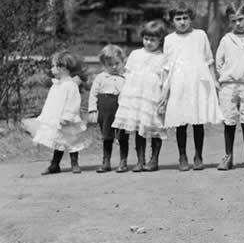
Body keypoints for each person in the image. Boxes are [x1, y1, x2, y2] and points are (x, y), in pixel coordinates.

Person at [161, 2, 222, 171]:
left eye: (185, 18)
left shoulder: (200, 35)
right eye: (178, 19)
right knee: (181, 122)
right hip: (179, 83)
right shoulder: (169, 40)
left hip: (197, 82)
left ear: (191, 19)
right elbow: (166, 67)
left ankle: (198, 155)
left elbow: (209, 60)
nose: (182, 22)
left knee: (197, 121)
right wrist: (164, 89)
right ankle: (182, 156)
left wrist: (214, 81)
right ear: (172, 21)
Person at [112, 20, 169, 172]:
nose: (148, 42)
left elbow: (165, 80)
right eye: (146, 38)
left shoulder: (163, 57)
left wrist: (164, 98)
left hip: (152, 97)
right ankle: (140, 159)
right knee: (139, 127)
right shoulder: (135, 54)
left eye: (152, 39)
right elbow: (127, 75)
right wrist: (123, 94)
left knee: (154, 126)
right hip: (135, 96)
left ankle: (154, 159)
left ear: (160, 40)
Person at [216, 4, 244, 171]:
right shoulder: (226, 39)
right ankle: (228, 156)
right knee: (229, 121)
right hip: (228, 85)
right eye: (233, 21)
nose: (238, 24)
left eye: (241, 19)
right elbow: (219, 62)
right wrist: (225, 76)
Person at [33, 50, 91, 175]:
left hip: (67, 119)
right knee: (58, 141)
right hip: (57, 119)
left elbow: (73, 102)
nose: (52, 69)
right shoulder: (57, 84)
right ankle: (55, 165)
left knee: (72, 140)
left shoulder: (70, 85)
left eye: (54, 66)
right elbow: (51, 102)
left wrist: (67, 116)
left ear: (63, 67)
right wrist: (48, 116)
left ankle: (74, 163)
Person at [88, 44, 127, 173]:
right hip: (105, 110)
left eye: (117, 63)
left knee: (122, 136)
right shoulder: (100, 77)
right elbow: (93, 94)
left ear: (122, 62)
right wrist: (92, 110)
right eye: (110, 64)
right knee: (107, 136)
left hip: (121, 109)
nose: (114, 67)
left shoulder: (126, 77)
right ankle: (106, 161)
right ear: (104, 65)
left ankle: (123, 161)